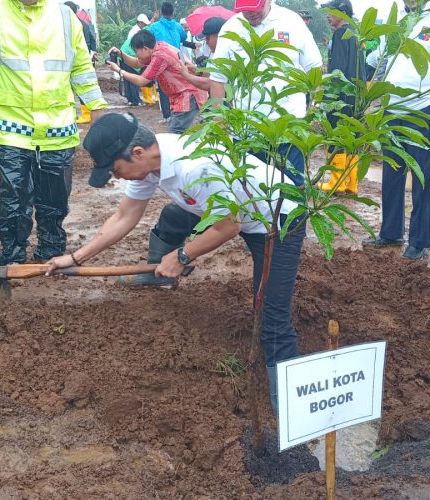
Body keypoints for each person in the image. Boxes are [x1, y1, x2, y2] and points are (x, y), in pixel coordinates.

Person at [46, 113, 306, 411]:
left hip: (276, 221)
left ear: (137, 153)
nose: (116, 178)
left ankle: (289, 408)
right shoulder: (152, 164)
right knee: (173, 216)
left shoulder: (194, 168)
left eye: (115, 170)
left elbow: (228, 226)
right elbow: (124, 216)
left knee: (272, 316)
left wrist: (183, 256)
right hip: (231, 209)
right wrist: (75, 258)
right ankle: (161, 276)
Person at [0, 0, 108, 266]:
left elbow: (81, 65)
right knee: (14, 198)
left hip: (57, 126)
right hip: (10, 126)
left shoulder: (64, 16)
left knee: (55, 197)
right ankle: (13, 254)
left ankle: (50, 252)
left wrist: (96, 105)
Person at [363, 0, 430, 260]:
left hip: (424, 109)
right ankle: (390, 232)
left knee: (423, 176)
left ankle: (419, 240)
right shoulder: (398, 15)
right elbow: (381, 57)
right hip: (392, 108)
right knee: (391, 172)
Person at [210, 0, 323, 186]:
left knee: (291, 185)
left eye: (255, 8)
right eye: (245, 10)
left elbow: (314, 68)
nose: (250, 14)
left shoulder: (291, 22)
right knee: (249, 186)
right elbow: (217, 78)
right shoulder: (231, 29)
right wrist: (218, 118)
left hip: (288, 124)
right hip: (247, 127)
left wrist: (314, 109)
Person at [109, 30, 206, 134]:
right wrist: (121, 54)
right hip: (181, 95)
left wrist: (119, 71)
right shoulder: (158, 47)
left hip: (187, 95)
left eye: (136, 52)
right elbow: (138, 63)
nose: (136, 55)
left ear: (145, 49)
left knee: (175, 133)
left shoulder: (160, 56)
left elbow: (141, 81)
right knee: (176, 132)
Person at [317, 0, 368, 196]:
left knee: (336, 135)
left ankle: (336, 182)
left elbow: (337, 71)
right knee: (352, 138)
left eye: (332, 11)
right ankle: (351, 183)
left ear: (343, 13)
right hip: (356, 96)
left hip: (340, 95)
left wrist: (329, 98)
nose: (328, 15)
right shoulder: (356, 35)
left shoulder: (340, 35)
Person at [148, 2, 187, 121]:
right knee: (179, 86)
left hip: (161, 60)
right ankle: (179, 112)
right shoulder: (178, 26)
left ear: (161, 12)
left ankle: (167, 115)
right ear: (173, 12)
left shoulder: (154, 27)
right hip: (176, 60)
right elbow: (184, 38)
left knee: (163, 87)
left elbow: (149, 40)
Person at [177, 16, 227, 91]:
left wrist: (186, 75)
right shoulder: (214, 53)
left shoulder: (225, 57)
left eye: (208, 38)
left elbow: (210, 84)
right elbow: (208, 75)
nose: (206, 42)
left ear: (219, 36)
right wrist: (198, 71)